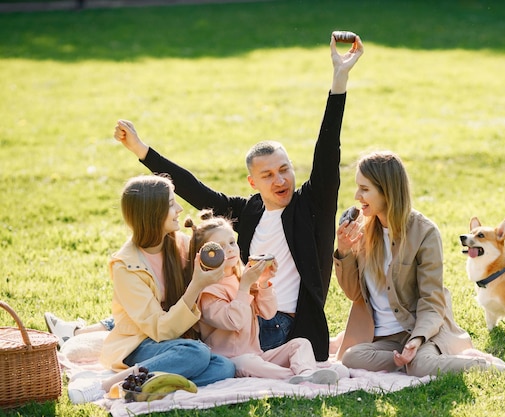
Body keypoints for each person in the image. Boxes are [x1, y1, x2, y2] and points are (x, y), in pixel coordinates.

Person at [113, 32, 364, 361]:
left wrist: (339, 78)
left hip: (278, 326)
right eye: (268, 175)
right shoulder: (247, 212)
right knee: (142, 323)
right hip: (233, 315)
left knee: (192, 344)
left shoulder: (311, 207)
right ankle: (94, 332)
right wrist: (141, 150)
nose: (280, 179)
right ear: (252, 182)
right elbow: (193, 188)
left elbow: (328, 152)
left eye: (284, 169)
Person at [333, 151, 505, 377]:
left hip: (422, 330)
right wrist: (344, 251)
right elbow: (355, 294)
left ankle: (503, 369)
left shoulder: (425, 233)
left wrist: (416, 340)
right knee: (352, 357)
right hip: (384, 338)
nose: (357, 196)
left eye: (364, 189)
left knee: (420, 364)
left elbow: (432, 298)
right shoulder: (363, 232)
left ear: (387, 192)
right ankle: (404, 362)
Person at [101, 176, 235, 385]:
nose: (180, 209)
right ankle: (121, 382)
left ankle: (152, 385)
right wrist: (196, 285)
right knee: (197, 353)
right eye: (172, 204)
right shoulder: (125, 267)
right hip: (139, 345)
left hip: (176, 343)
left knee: (225, 367)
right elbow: (160, 330)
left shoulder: (180, 244)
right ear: (152, 214)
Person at [188, 210, 347, 383]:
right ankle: (297, 378)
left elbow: (268, 312)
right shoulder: (208, 291)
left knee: (300, 343)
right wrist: (245, 287)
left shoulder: (240, 279)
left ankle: (308, 371)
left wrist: (263, 283)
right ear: (205, 256)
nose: (230, 250)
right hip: (230, 359)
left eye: (232, 242)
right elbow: (234, 321)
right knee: (249, 363)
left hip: (258, 354)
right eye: (220, 247)